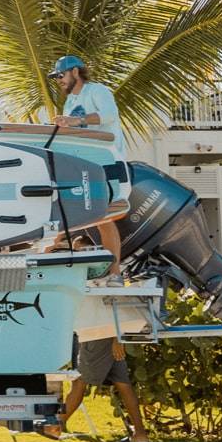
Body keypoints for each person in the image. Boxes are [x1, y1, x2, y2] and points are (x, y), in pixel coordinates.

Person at [49, 54, 131, 281]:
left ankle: (115, 275)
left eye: (61, 75)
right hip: (84, 165)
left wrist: (75, 121)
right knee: (71, 214)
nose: (59, 80)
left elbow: (109, 116)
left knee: (106, 217)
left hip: (107, 162)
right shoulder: (70, 102)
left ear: (75, 72)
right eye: (56, 77)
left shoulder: (98, 91)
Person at [42, 334, 151, 442]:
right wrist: (118, 338)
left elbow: (111, 315)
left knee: (79, 381)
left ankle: (55, 426)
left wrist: (117, 339)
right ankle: (140, 435)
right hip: (111, 335)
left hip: (99, 335)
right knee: (122, 384)